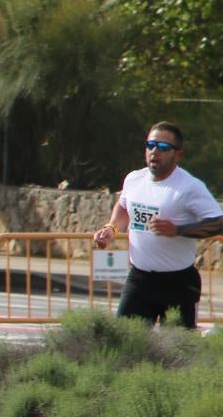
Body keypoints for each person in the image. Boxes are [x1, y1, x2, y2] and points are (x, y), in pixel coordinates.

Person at [93, 122, 223, 328]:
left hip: (178, 283)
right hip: (139, 280)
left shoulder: (189, 187)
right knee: (125, 344)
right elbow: (124, 206)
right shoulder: (134, 179)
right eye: (150, 145)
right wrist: (111, 229)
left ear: (178, 154)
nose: (154, 152)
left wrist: (178, 230)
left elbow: (218, 222)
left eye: (163, 147)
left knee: (177, 353)